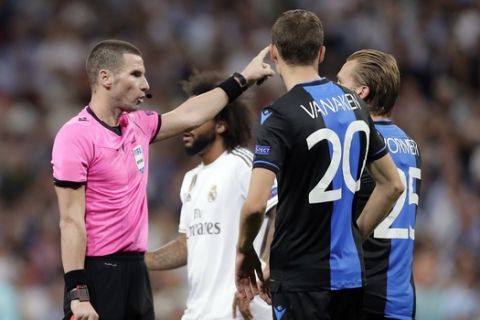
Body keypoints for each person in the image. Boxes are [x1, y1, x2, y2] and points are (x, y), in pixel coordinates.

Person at [51, 39, 274, 320]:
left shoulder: (138, 125)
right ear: (105, 77)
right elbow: (70, 219)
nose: (146, 84)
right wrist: (77, 292)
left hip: (136, 275)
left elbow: (192, 113)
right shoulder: (75, 136)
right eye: (135, 74)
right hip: (98, 273)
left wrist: (242, 79)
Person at [234, 9, 404, 320]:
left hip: (301, 278)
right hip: (351, 277)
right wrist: (354, 236)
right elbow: (393, 185)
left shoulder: (279, 115)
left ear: (274, 52)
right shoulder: (355, 105)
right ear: (321, 53)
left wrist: (245, 251)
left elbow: (256, 205)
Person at [145, 71, 277, 320]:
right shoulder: (191, 179)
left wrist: (266, 271)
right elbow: (186, 245)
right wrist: (142, 261)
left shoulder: (242, 163)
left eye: (196, 118)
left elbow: (280, 214)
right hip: (198, 312)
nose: (186, 125)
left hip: (241, 309)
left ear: (221, 123)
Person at [337, 49, 421, 320]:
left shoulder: (356, 143)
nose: (335, 91)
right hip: (402, 296)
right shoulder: (409, 144)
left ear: (361, 92)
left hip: (363, 294)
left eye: (341, 83)